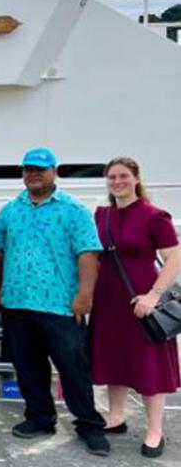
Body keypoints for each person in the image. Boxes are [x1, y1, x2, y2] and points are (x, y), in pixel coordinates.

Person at [0, 147, 110, 456]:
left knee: (73, 369)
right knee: (28, 368)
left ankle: (89, 424)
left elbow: (88, 253)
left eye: (40, 169)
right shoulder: (10, 210)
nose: (33, 174)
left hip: (60, 306)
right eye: (28, 169)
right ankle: (40, 417)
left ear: (53, 172)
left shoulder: (73, 210)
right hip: (17, 304)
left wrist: (85, 296)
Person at [91, 157, 181, 458]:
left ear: (136, 178)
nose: (117, 181)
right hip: (108, 302)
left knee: (149, 368)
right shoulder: (101, 215)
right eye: (112, 177)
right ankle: (116, 417)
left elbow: (175, 258)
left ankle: (155, 431)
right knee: (114, 361)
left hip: (141, 303)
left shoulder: (154, 216)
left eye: (123, 176)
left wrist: (154, 296)